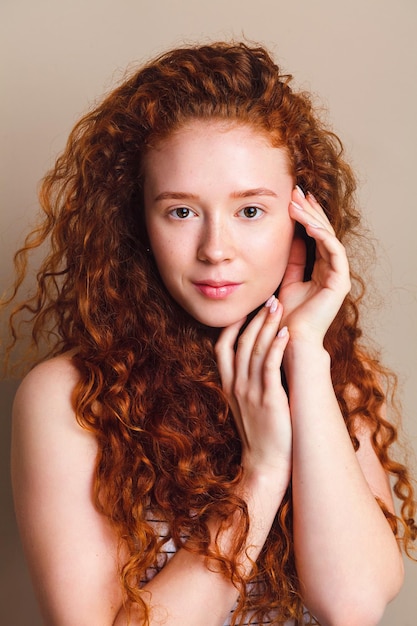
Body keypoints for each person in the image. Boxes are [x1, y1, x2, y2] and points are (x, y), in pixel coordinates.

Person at [5, 41, 416, 626]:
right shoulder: (69, 400)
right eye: (181, 211)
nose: (215, 251)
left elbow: (353, 604)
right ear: (137, 221)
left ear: (301, 221)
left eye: (250, 211)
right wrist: (262, 470)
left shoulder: (337, 378)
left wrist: (305, 358)